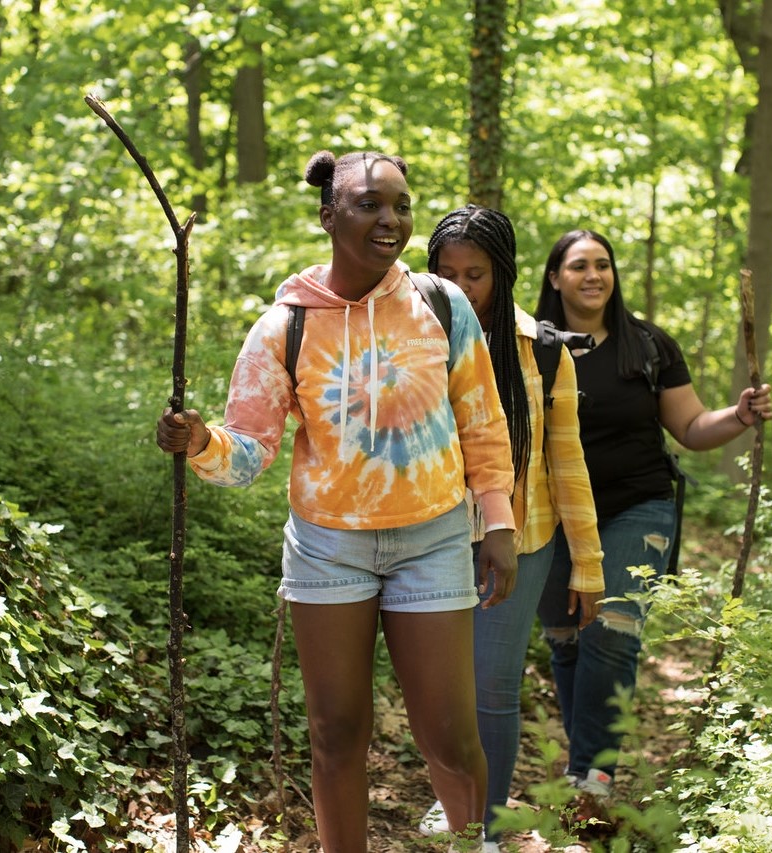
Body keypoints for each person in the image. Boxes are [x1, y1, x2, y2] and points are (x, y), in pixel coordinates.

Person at [156, 151, 519, 852]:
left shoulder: (441, 305)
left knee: (449, 735)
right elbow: (251, 451)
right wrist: (201, 441)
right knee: (335, 732)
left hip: (435, 538)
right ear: (328, 215)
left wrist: (496, 521)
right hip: (329, 548)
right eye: (369, 204)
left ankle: (476, 843)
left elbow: (483, 423)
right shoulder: (284, 326)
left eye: (401, 205)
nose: (391, 220)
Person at [533, 229, 772, 823]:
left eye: (604, 265)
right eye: (580, 266)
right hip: (551, 515)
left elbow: (691, 428)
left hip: (636, 507)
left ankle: (594, 774)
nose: (594, 275)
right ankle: (582, 766)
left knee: (610, 631)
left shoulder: (647, 346)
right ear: (555, 278)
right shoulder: (530, 346)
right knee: (565, 639)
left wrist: (738, 415)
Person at [417, 205, 605, 851]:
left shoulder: (544, 351)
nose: (462, 287)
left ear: (504, 274)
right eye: (447, 272)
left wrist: (588, 566)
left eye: (476, 274)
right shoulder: (412, 338)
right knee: (440, 684)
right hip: (432, 537)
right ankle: (456, 802)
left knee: (491, 685)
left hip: (523, 538)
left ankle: (487, 828)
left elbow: (569, 463)